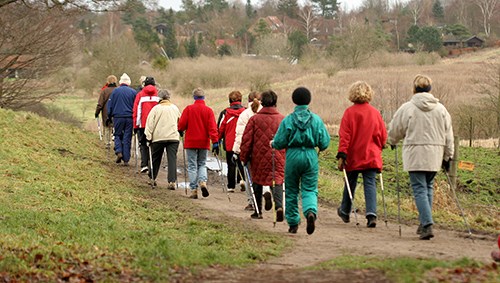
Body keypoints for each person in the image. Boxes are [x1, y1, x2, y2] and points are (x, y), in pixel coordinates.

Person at [388, 74, 454, 240]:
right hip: (435, 156)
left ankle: (426, 224)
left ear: (414, 89)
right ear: (430, 89)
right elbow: (449, 135)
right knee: (428, 187)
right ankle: (424, 222)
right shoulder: (441, 110)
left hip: (415, 155)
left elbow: (396, 128)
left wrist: (392, 141)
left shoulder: (407, 108)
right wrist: (448, 156)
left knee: (419, 189)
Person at [271, 87, 330, 235]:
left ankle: (293, 223)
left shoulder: (288, 120)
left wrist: (273, 143)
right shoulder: (316, 120)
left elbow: (279, 142)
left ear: (294, 100)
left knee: (291, 190)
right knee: (309, 188)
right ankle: (310, 211)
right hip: (310, 155)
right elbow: (324, 142)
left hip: (292, 155)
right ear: (309, 100)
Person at [336, 81, 387, 228]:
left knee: (350, 182)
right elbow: (382, 135)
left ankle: (345, 211)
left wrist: (342, 153)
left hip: (353, 155)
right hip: (371, 154)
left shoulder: (349, 113)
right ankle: (371, 214)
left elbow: (344, 135)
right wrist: (380, 146)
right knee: (370, 183)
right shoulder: (375, 113)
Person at [240, 90, 285, 220]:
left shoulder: (254, 119)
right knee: (277, 180)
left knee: (257, 181)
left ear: (262, 103)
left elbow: (247, 141)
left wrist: (244, 156)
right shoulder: (283, 119)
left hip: (258, 156)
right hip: (278, 155)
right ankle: (279, 207)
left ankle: (258, 211)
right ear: (275, 102)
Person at [178, 88, 219, 199]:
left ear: (194, 97)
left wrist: (180, 130)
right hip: (203, 142)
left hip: (191, 141)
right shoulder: (208, 111)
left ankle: (194, 190)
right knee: (202, 163)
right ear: (203, 97)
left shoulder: (188, 109)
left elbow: (181, 125)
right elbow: (212, 128)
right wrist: (215, 142)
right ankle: (203, 182)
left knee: (192, 166)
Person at [145, 89, 181, 190]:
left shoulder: (156, 109)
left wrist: (148, 137)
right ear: (169, 97)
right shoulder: (175, 108)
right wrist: (180, 132)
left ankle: (152, 178)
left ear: (159, 98)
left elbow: (149, 124)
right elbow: (180, 122)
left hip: (158, 137)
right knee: (172, 159)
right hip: (173, 137)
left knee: (155, 158)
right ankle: (172, 181)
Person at [233, 91, 263, 211]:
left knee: (249, 177)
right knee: (262, 175)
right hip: (263, 150)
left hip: (250, 151)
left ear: (248, 100)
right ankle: (265, 191)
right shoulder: (266, 112)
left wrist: (236, 151)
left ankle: (252, 202)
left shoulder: (244, 114)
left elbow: (240, 135)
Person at [217, 90, 246, 193]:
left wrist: (217, 140)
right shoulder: (246, 111)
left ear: (230, 100)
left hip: (229, 143)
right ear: (240, 100)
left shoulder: (225, 112)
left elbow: (221, 128)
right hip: (243, 142)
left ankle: (231, 186)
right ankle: (242, 180)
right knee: (241, 163)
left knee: (231, 164)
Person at [106, 73, 137, 165]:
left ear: (120, 82)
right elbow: (135, 106)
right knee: (127, 137)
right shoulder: (133, 92)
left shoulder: (115, 91)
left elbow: (110, 105)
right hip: (129, 118)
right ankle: (126, 159)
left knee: (117, 135)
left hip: (118, 117)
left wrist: (109, 116)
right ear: (129, 83)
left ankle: (119, 151)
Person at [132, 77, 160, 173]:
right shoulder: (158, 95)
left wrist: (136, 125)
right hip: (155, 124)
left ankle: (144, 164)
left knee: (143, 144)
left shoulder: (140, 95)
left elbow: (137, 111)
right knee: (153, 143)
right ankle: (152, 165)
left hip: (143, 124)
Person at [95, 75, 118, 148]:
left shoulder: (104, 91)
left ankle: (107, 143)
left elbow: (100, 103)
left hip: (106, 112)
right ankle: (116, 143)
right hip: (116, 111)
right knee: (115, 126)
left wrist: (97, 112)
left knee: (107, 127)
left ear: (107, 82)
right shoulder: (118, 90)